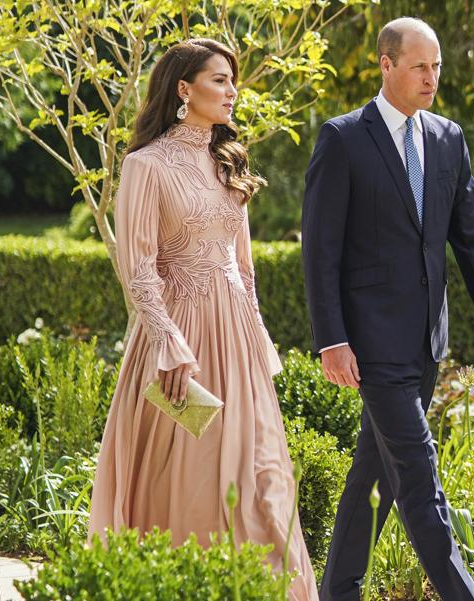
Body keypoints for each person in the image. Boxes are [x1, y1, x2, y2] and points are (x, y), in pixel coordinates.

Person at [88, 38, 318, 601]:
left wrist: (258, 336)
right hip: (180, 343)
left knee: (264, 480)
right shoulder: (144, 166)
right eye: (220, 80)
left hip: (237, 341)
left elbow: (244, 267)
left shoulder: (229, 160)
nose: (233, 91)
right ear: (184, 90)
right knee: (189, 483)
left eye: (233, 81)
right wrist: (168, 342)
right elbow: (137, 266)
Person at [302, 17, 474, 601]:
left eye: (437, 65)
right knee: (420, 478)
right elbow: (320, 251)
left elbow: (471, 236)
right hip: (371, 346)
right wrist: (332, 339)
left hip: (427, 342)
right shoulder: (343, 139)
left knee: (373, 476)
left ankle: (337, 592)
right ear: (386, 64)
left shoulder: (447, 138)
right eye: (421, 66)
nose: (432, 77)